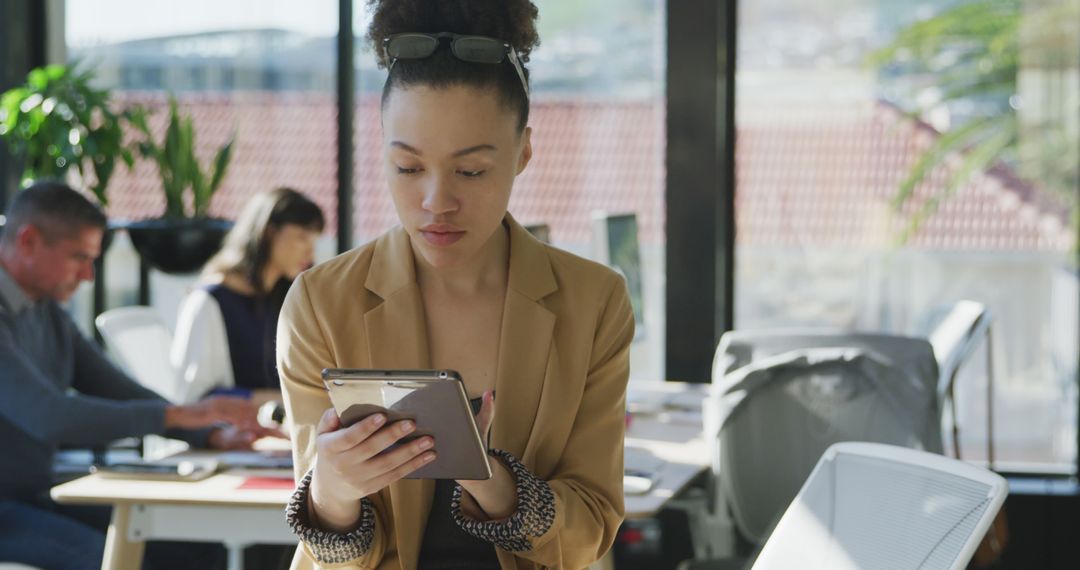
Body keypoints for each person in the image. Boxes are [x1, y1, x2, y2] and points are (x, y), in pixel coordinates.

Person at [276, 1, 634, 569]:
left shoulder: (592, 301)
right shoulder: (322, 303)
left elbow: (591, 529)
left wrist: (491, 481)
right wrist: (332, 494)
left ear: (524, 152)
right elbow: (328, 556)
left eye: (470, 171)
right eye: (408, 167)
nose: (436, 202)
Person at [0, 181, 267, 570]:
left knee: (194, 547)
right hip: (8, 509)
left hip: (34, 495)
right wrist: (176, 416)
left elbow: (117, 389)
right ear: (28, 240)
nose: (89, 275)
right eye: (79, 257)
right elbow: (48, 416)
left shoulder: (45, 309)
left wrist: (208, 432)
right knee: (112, 559)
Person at [171, 187, 325, 408]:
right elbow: (194, 397)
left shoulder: (284, 300)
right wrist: (278, 401)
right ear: (269, 232)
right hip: (233, 437)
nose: (310, 254)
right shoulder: (207, 302)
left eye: (315, 241)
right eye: (302, 238)